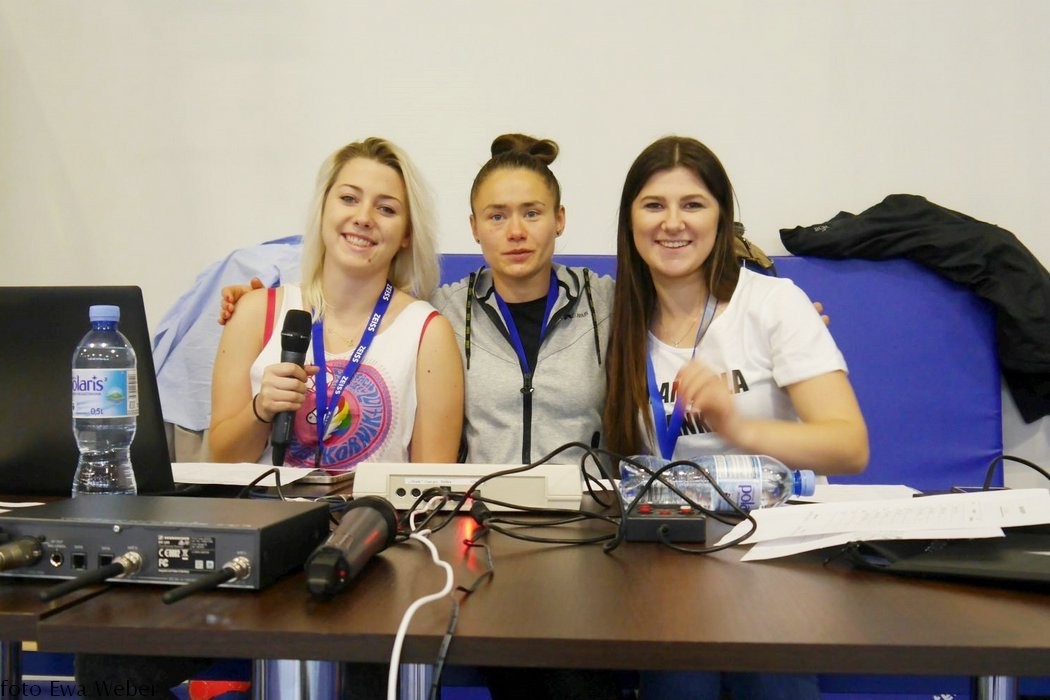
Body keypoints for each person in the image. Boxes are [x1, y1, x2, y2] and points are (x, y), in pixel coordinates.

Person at [603, 135, 869, 700]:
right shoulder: (616, 320)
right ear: (629, 221)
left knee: (768, 676)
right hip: (673, 552)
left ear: (722, 218)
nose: (672, 223)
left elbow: (850, 447)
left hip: (777, 552)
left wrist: (739, 427)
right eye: (653, 205)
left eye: (693, 204)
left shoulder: (774, 304)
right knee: (680, 680)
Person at [209, 137, 463, 470]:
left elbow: (430, 486)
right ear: (323, 208)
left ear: (406, 234)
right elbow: (220, 459)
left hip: (372, 506)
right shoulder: (255, 311)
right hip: (266, 504)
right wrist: (261, 409)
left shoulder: (428, 333)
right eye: (348, 199)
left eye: (386, 209)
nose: (363, 217)